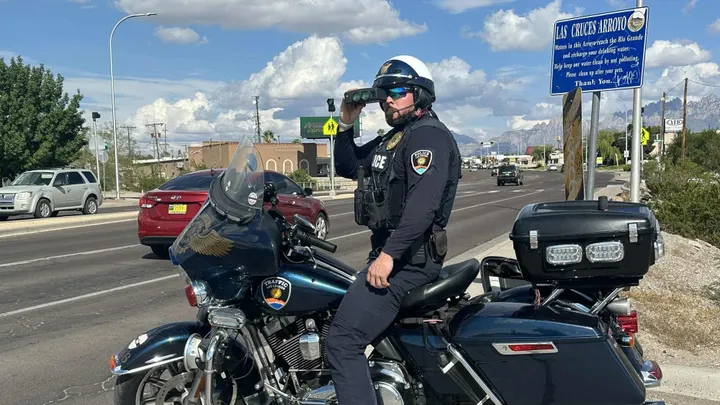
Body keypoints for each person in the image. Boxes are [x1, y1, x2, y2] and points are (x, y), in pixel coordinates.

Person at [325, 55, 462, 405]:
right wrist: (346, 123)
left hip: (408, 263)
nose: (388, 99)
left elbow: (423, 207)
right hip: (395, 257)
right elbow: (347, 165)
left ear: (420, 94)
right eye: (384, 91)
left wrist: (387, 257)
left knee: (342, 341)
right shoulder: (396, 138)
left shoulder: (427, 137)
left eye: (398, 91)